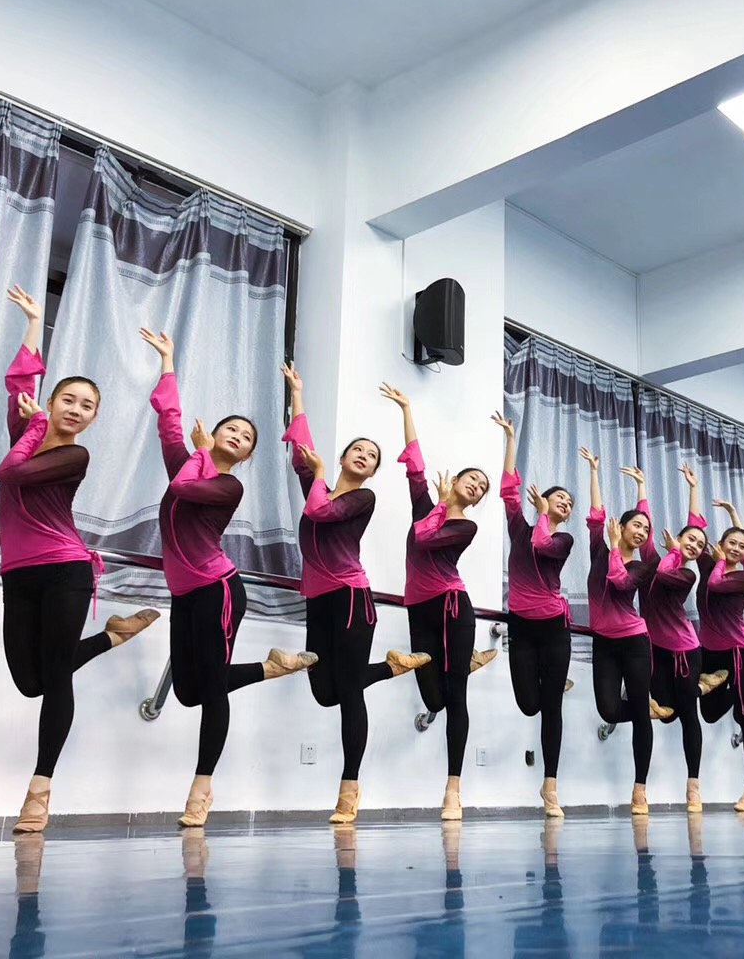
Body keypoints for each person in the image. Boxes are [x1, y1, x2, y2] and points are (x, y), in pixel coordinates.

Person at [0, 286, 160, 834]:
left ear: (92, 419)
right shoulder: (27, 431)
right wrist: (33, 323)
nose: (76, 410)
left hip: (66, 570)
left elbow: (11, 474)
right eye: (68, 399)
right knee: (29, 680)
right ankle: (112, 636)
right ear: (52, 402)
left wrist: (34, 427)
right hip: (19, 572)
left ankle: (40, 790)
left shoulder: (73, 453)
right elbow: (19, 385)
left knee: (55, 680)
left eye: (87, 406)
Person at [142, 328, 316, 828]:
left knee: (212, 691)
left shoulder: (228, 486)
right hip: (184, 594)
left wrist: (200, 451)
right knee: (187, 691)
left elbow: (184, 487)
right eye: (231, 430)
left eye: (246, 438)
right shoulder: (191, 462)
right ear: (214, 433)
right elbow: (168, 424)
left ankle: (201, 789)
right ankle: (270, 666)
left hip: (217, 590)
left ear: (246, 456)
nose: (237, 436)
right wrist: (169, 362)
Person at [280, 363, 431, 824]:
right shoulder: (319, 486)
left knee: (347, 692)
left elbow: (322, 514)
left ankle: (348, 790)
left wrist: (320, 473)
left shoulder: (362, 499)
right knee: (323, 692)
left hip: (351, 599)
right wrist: (298, 393)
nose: (364, 455)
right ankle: (390, 667)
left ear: (372, 471)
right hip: (317, 600)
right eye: (358, 450)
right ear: (344, 457)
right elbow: (301, 455)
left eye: (372, 455)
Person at [380, 383, 497, 821]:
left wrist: (444, 504)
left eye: (481, 487)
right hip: (419, 607)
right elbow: (415, 467)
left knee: (456, 696)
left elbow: (427, 539)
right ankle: (464, 661)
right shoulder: (428, 508)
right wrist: (406, 410)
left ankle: (453, 789)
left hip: (452, 607)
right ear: (456, 479)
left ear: (477, 500)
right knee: (433, 697)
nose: (475, 486)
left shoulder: (465, 527)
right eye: (472, 479)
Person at [493, 411, 574, 818]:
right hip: (522, 626)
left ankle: (550, 786)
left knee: (551, 708)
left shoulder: (564, 539)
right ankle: (554, 681)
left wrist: (543, 513)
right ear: (544, 501)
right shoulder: (519, 529)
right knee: (529, 704)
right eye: (560, 498)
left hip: (555, 628)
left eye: (569, 503)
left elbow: (543, 545)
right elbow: (508, 491)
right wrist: (511, 440)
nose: (565, 504)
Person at [639, 464, 723, 812]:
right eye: (690, 540)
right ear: (678, 537)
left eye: (700, 545)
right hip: (657, 650)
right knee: (665, 713)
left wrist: (677, 550)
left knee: (689, 715)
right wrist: (643, 487)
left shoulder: (688, 574)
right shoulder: (652, 560)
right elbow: (644, 527)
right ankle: (703, 686)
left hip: (686, 651)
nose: (695, 545)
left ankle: (694, 786)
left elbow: (665, 573)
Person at [583, 450, 656, 815]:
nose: (641, 532)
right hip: (604, 643)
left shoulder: (641, 568)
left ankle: (639, 789)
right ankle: (646, 708)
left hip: (634, 642)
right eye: (636, 526)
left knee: (639, 712)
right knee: (609, 710)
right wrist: (594, 471)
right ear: (621, 526)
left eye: (645, 529)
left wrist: (615, 548)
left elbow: (621, 582)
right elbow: (596, 517)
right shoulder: (600, 550)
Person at [696, 499, 744, 812]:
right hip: (710, 651)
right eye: (731, 543)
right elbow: (695, 528)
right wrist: (694, 489)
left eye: (742, 546)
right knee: (709, 713)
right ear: (720, 544)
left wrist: (722, 557)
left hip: (738, 650)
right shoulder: (710, 564)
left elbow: (715, 583)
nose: (736, 548)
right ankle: (739, 684)